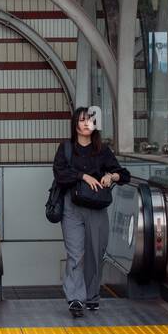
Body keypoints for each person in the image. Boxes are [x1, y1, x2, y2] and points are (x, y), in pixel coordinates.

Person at [52, 107, 131, 318]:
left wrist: (111, 176)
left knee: (96, 253)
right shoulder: (66, 148)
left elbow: (124, 175)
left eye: (90, 120)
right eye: (82, 120)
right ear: (75, 125)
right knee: (75, 254)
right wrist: (83, 176)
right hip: (72, 206)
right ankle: (76, 298)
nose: (86, 123)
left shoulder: (102, 150)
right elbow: (60, 174)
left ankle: (92, 295)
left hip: (97, 207)